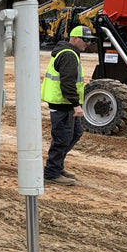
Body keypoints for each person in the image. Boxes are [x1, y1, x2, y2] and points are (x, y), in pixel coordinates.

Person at [40, 25, 92, 186]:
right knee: (62, 138)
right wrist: (76, 105)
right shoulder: (68, 55)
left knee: (75, 133)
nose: (88, 43)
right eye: (85, 39)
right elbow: (67, 84)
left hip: (65, 104)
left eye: (90, 40)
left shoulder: (70, 53)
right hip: (63, 104)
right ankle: (51, 173)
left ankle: (57, 166)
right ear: (74, 38)